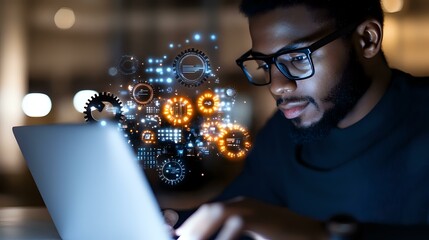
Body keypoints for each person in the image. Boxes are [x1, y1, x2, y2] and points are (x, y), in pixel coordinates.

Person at [165, 0, 429, 239]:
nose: (277, 87)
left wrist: (317, 235)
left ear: (367, 40)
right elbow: (230, 213)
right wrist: (168, 223)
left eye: (297, 58)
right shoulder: (282, 134)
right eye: (265, 65)